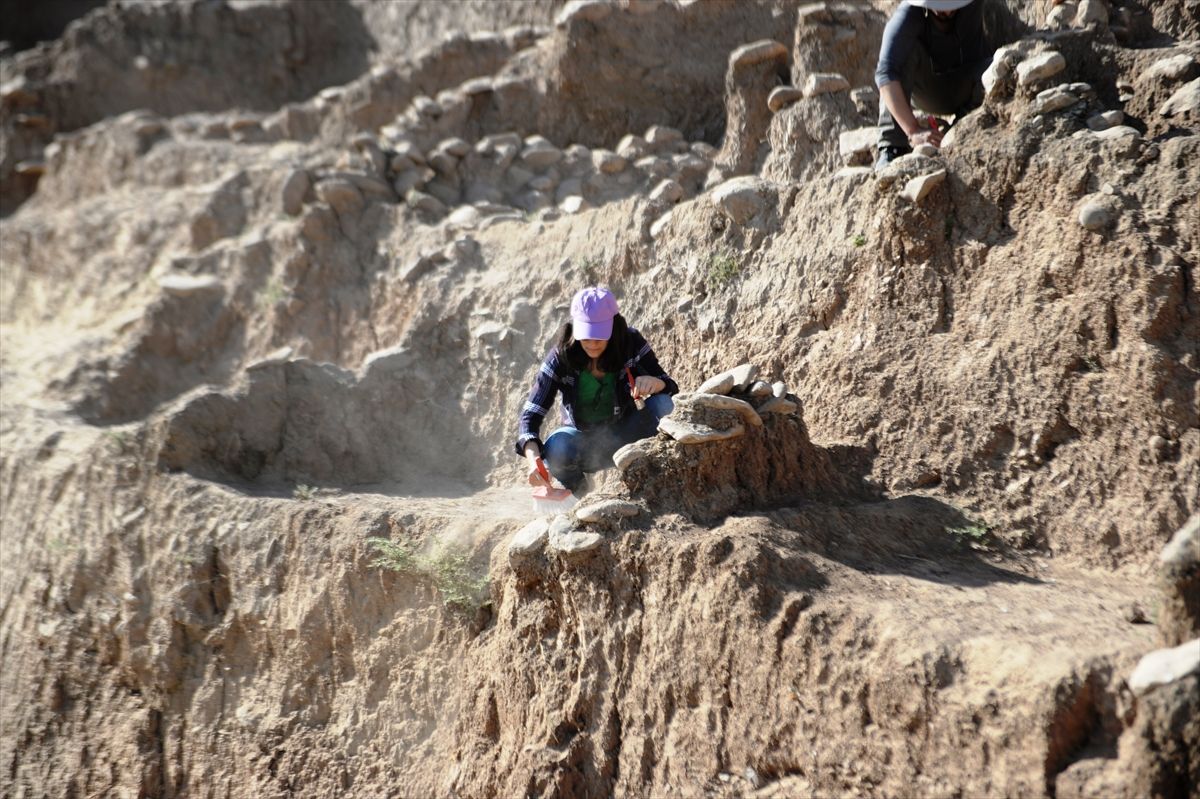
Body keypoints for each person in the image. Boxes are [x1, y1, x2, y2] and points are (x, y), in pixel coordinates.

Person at [515, 287, 677, 493]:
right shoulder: (560, 357)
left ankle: (668, 482)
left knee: (664, 404)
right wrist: (533, 461)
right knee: (556, 448)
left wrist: (656, 383)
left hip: (630, 433)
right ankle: (581, 495)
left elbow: (669, 386)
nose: (592, 344)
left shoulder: (630, 343)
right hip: (585, 443)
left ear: (614, 327)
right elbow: (530, 415)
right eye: (586, 336)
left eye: (599, 336)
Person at [874, 0, 994, 169]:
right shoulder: (909, 15)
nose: (945, 11)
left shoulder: (973, 5)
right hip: (928, 91)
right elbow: (885, 74)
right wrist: (913, 130)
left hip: (970, 84)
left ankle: (961, 129)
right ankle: (892, 148)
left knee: (996, 64)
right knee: (901, 58)